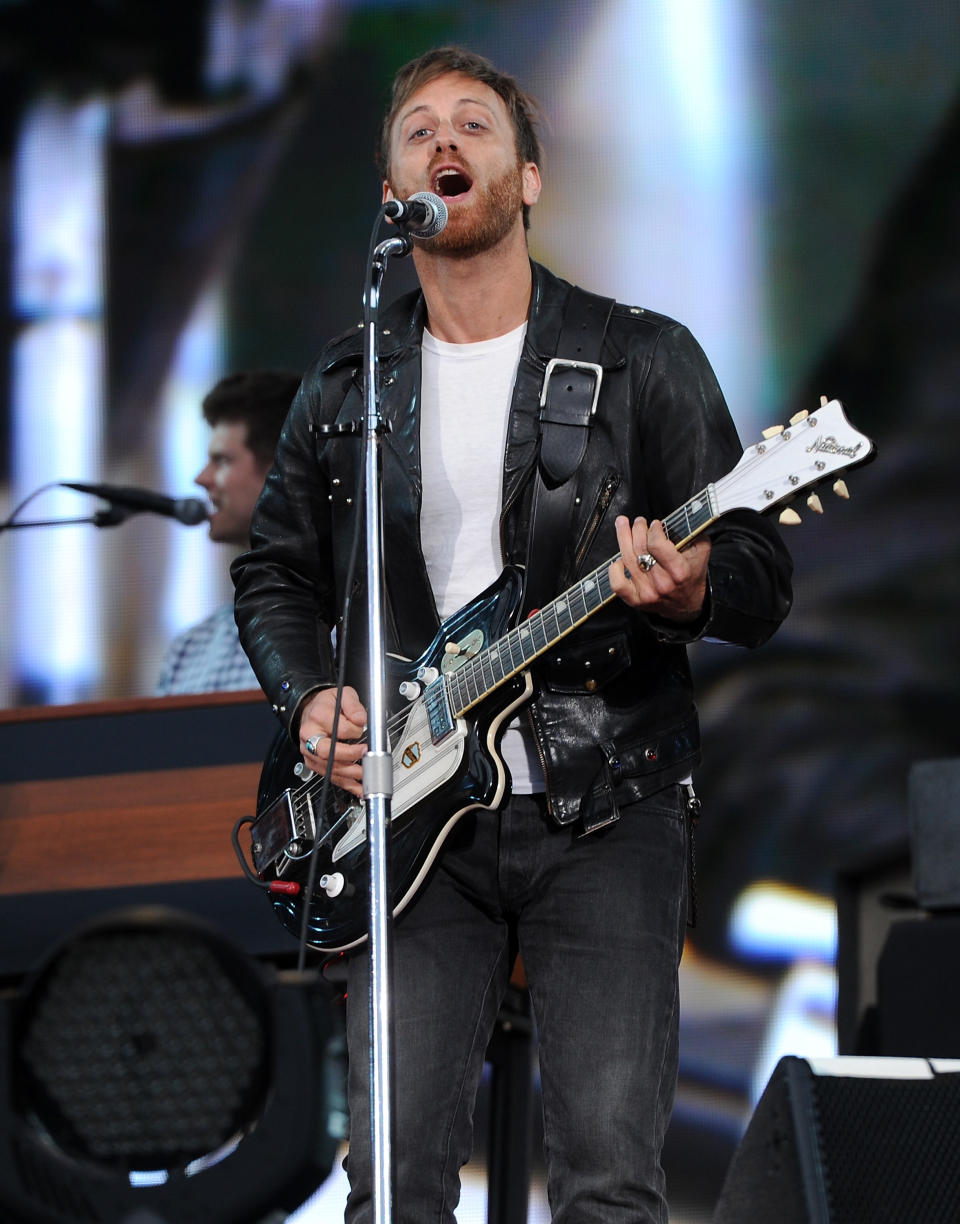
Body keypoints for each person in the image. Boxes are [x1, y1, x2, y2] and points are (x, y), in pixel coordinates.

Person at [232, 46, 793, 1224]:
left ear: (528, 178)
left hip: (607, 801)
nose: (445, 143)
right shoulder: (347, 387)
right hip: (405, 812)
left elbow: (757, 574)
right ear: (394, 189)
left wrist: (690, 591)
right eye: (418, 129)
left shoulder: (642, 357)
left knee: (605, 1177)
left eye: (475, 126)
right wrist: (307, 697)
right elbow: (276, 572)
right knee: (390, 1181)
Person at [155, 369, 299, 695]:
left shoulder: (356, 633)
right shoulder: (187, 652)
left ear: (281, 468)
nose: (201, 478)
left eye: (221, 460)